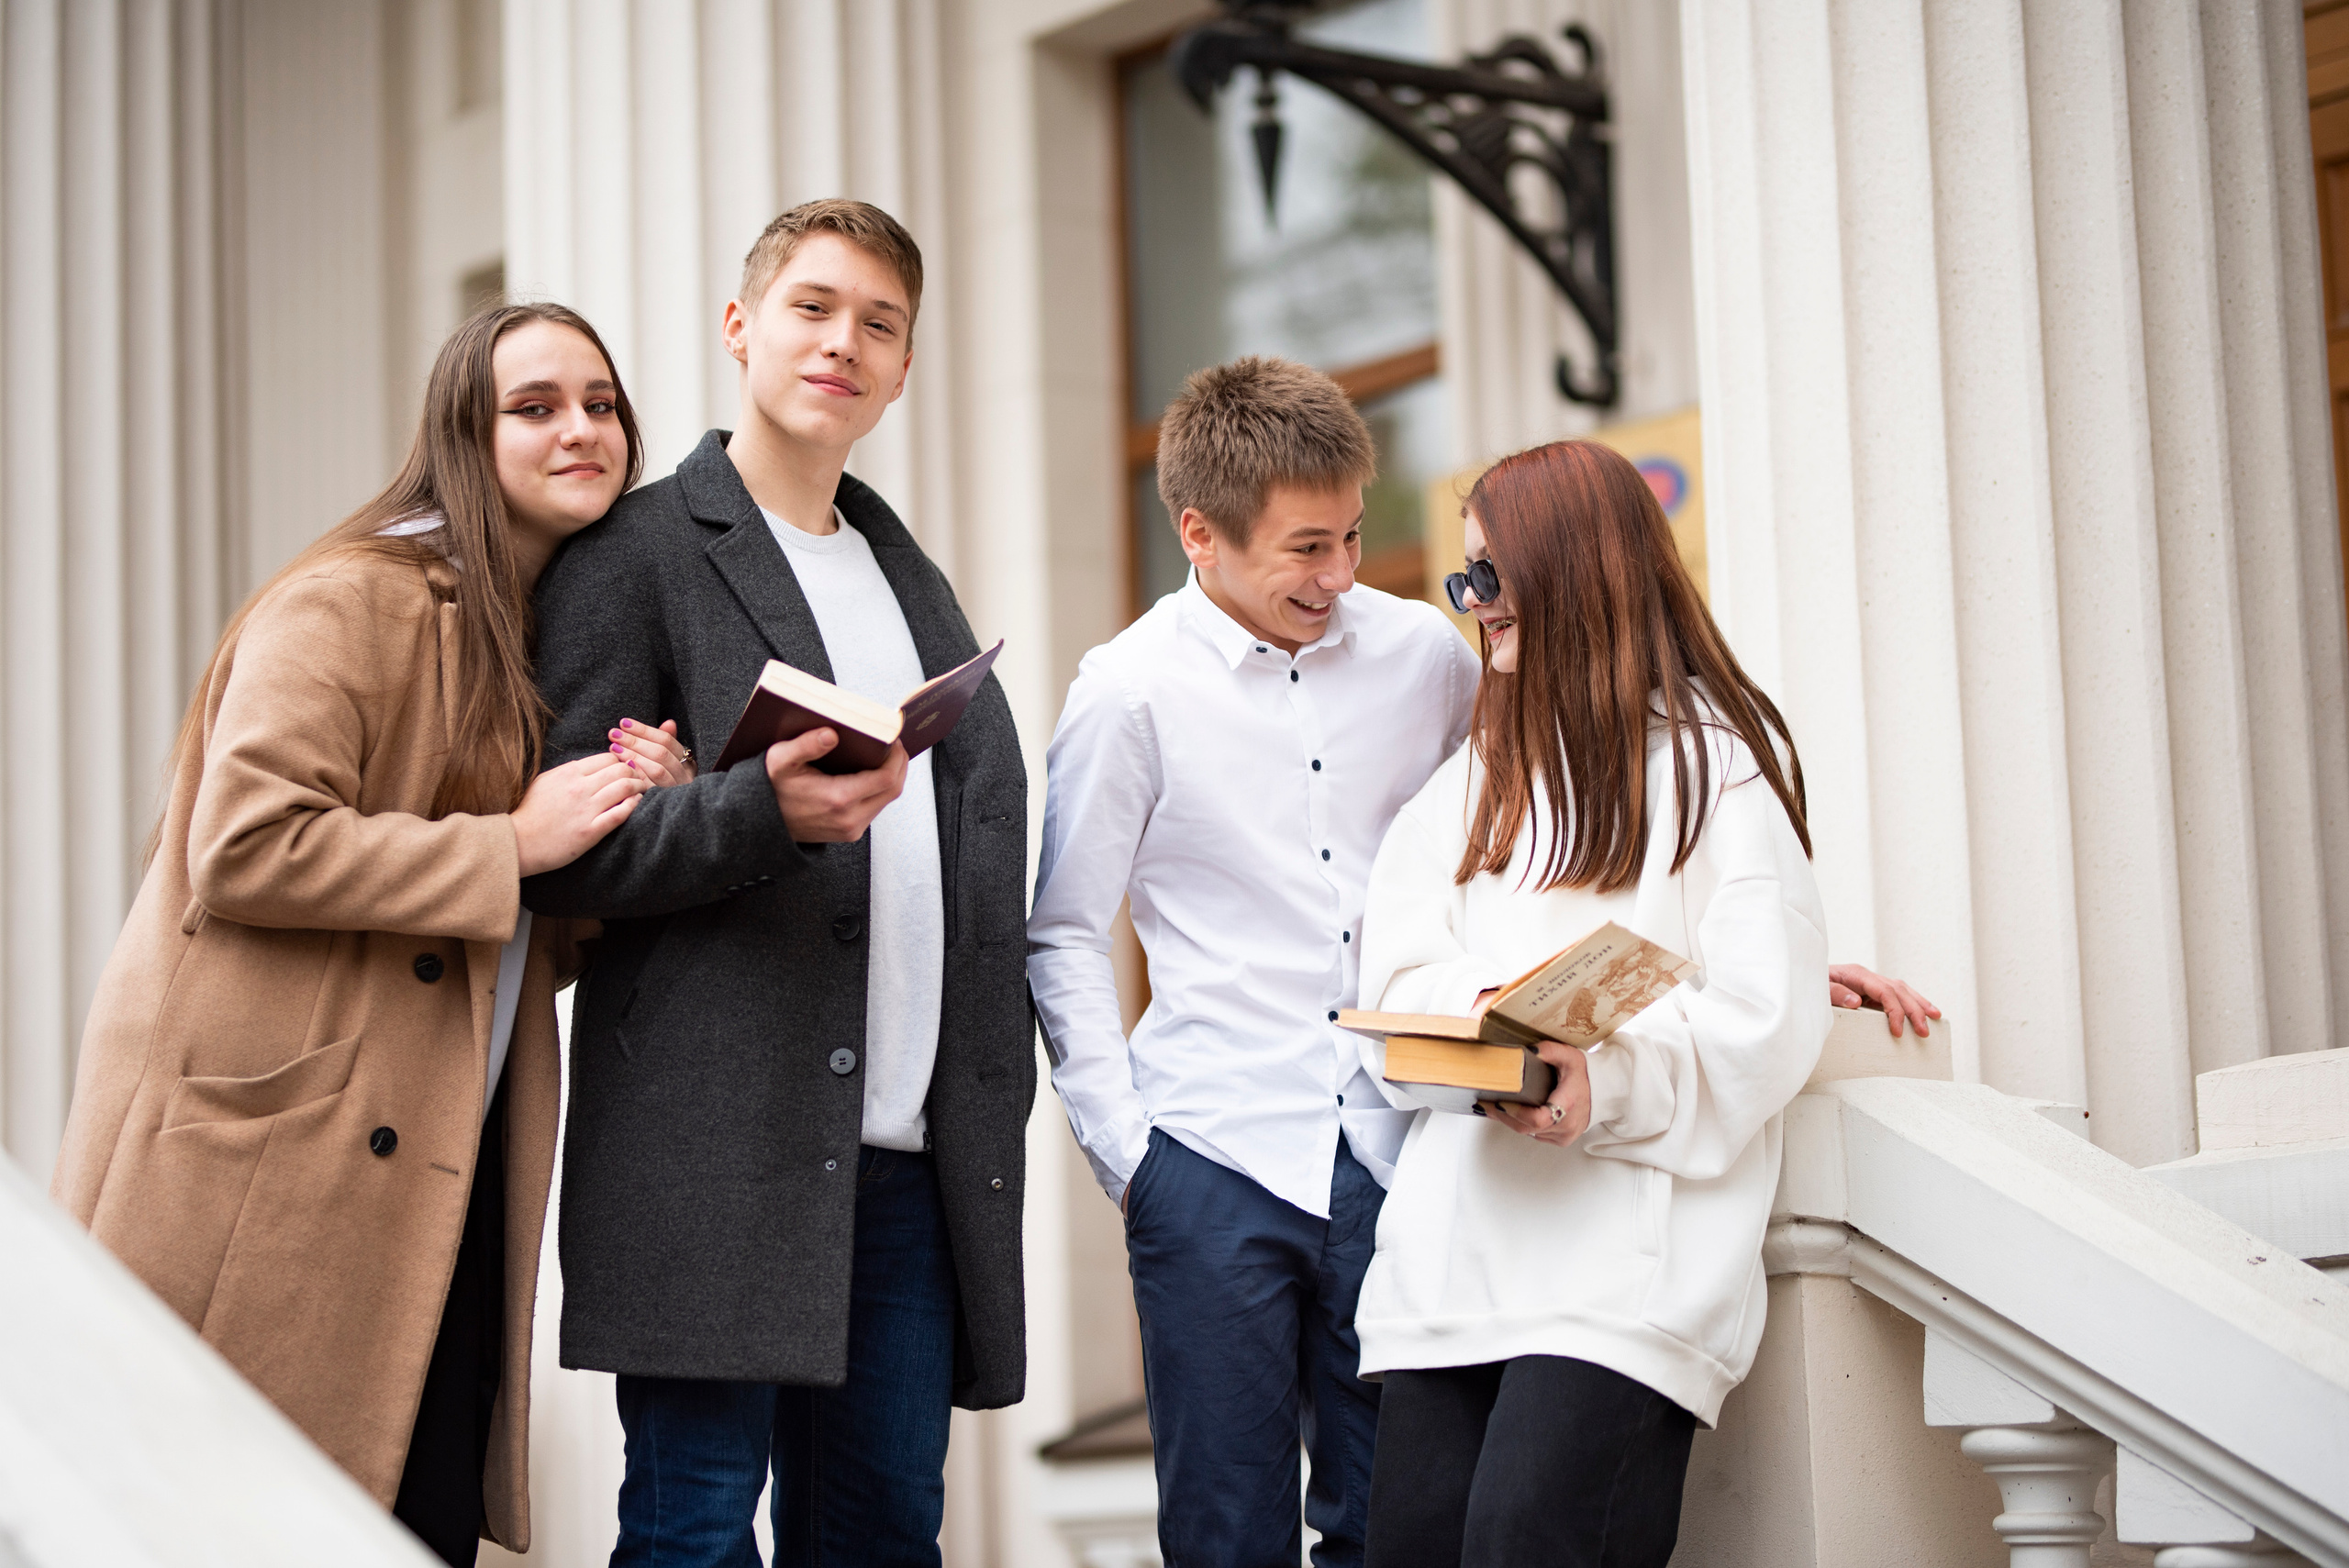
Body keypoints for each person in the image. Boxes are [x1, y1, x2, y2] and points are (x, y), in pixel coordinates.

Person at [1030, 361, 1937, 1568]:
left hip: (1429, 1191)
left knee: (1404, 1531)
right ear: (1201, 533)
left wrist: (1753, 979)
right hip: (1240, 1155)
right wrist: (1136, 1160)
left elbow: (1668, 902)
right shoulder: (1137, 695)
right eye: (1310, 547)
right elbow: (1091, 932)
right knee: (1232, 1536)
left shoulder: (1445, 665)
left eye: (1361, 537)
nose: (1349, 575)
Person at [50, 302, 692, 1565]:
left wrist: (628, 823)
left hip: (442, 1166)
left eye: (602, 404)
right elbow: (243, 842)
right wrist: (516, 840)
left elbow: (499, 939)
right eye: (537, 405)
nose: (583, 429)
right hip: (271, 1168)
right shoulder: (355, 595)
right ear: (465, 431)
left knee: (405, 1518)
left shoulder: (531, 643)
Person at [520, 198, 1031, 1568]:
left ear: (905, 367)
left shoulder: (905, 572)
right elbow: (568, 857)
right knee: (690, 1538)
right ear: (742, 328)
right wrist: (760, 812)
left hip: (913, 1161)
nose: (842, 342)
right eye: (812, 307)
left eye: (879, 323)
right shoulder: (633, 556)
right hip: (716, 1148)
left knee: (880, 1542)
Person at [1353, 438, 1829, 1567]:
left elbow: (1763, 1013)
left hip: (1623, 1277)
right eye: (1460, 578)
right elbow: (1392, 995)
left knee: (1529, 1539)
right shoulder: (1456, 794)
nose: (1471, 604)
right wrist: (1492, 1031)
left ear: (1576, 567)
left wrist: (1598, 1075)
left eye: (1488, 575)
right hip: (1446, 1273)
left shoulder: (1714, 772)